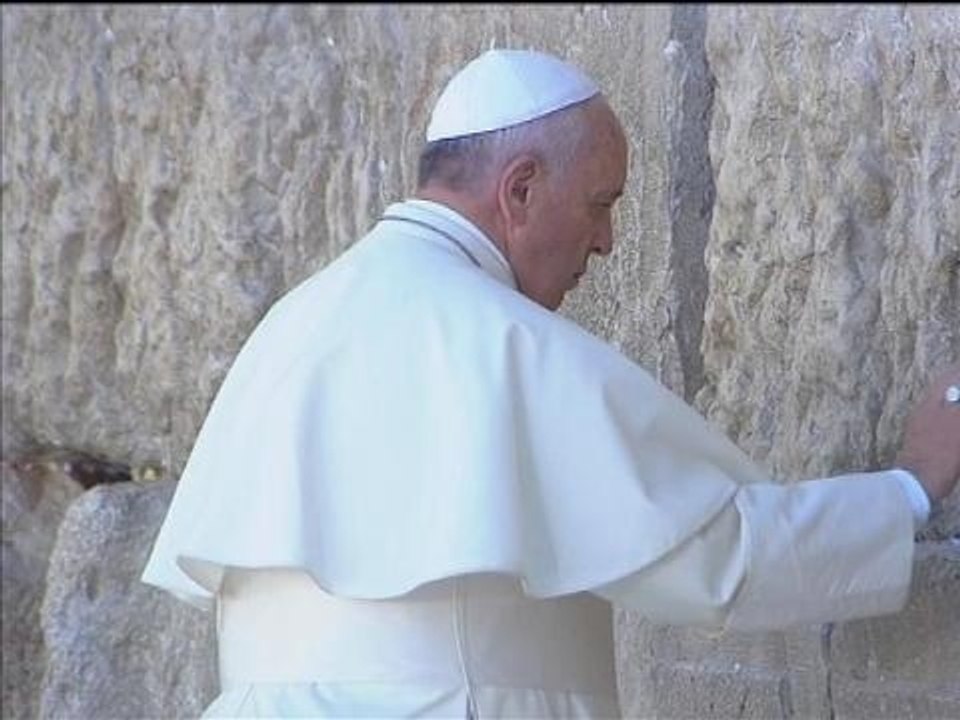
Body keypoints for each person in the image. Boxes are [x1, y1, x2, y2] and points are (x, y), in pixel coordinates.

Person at [142, 49, 960, 719]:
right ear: (521, 189)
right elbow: (719, 555)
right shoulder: (505, 343)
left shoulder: (290, 326)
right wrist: (912, 486)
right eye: (600, 204)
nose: (606, 242)